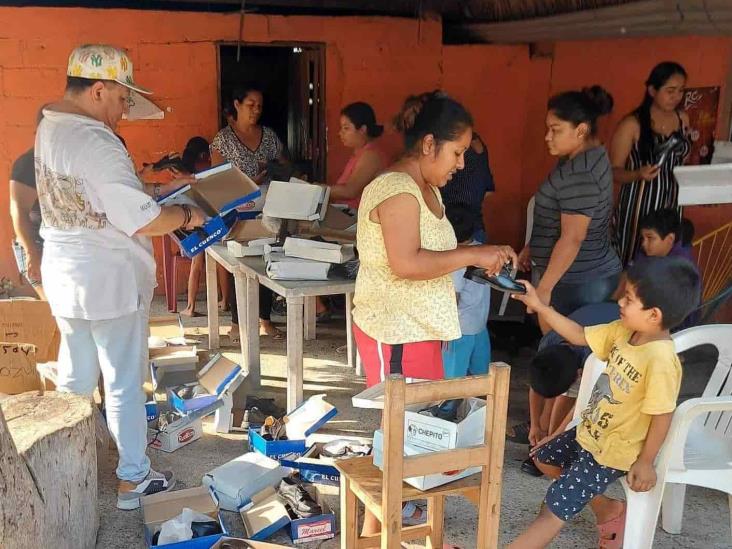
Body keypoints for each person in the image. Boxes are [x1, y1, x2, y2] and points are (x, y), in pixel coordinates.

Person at [37, 44, 206, 510]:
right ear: (98, 90)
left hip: (67, 274)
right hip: (109, 279)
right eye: (121, 99)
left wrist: (152, 188)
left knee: (76, 375)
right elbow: (143, 220)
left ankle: (64, 471)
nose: (124, 110)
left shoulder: (51, 127)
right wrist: (185, 214)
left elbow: (93, 195)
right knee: (124, 380)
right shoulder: (96, 139)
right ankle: (134, 479)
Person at [352, 92, 517, 537]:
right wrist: (472, 254)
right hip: (396, 329)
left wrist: (477, 260)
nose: (462, 163)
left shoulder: (428, 189)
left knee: (409, 433)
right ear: (429, 144)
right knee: (400, 432)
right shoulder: (395, 189)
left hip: (421, 328)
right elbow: (406, 262)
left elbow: (435, 255)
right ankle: (378, 534)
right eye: (457, 152)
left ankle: (382, 530)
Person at [508, 256, 700, 548]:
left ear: (653, 315)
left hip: (612, 451)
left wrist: (646, 462)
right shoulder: (625, 331)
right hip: (590, 433)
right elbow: (577, 334)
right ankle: (607, 509)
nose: (620, 302)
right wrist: (540, 307)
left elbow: (663, 415)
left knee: (553, 508)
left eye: (630, 298)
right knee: (542, 457)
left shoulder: (660, 360)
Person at [518, 86, 622, 322]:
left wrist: (544, 290)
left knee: (565, 351)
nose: (547, 136)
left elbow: (572, 238)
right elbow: (558, 213)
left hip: (579, 282)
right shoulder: (585, 156)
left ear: (581, 130)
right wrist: (533, 246)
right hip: (579, 276)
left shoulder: (581, 174)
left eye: (555, 130)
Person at [210, 84, 287, 340]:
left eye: (259, 106)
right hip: (237, 210)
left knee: (266, 262)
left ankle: (265, 320)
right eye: (250, 104)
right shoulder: (224, 139)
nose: (256, 110)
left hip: (267, 209)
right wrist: (248, 182)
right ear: (237, 104)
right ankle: (237, 323)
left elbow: (286, 166)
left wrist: (274, 168)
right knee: (238, 266)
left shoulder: (269, 136)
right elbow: (215, 180)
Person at [520, 302, 621, 478]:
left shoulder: (596, 357)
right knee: (562, 390)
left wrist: (555, 437)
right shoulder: (549, 343)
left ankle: (553, 448)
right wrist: (534, 425)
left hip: (621, 325)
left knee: (575, 399)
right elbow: (536, 383)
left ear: (578, 374)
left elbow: (582, 405)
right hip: (595, 318)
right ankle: (548, 446)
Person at [610, 62, 691, 266]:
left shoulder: (683, 119)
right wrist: (638, 174)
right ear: (652, 90)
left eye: (681, 91)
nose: (676, 97)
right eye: (670, 91)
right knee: (634, 257)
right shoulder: (632, 124)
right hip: (639, 205)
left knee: (666, 258)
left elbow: (683, 158)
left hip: (671, 204)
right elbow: (613, 171)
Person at [442, 204, 491, 379]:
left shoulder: (455, 260)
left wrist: (446, 330)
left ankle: (450, 406)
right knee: (481, 377)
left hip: (459, 329)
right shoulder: (483, 251)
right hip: (480, 324)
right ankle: (477, 405)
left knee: (453, 379)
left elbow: (453, 297)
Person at [10, 108, 46, 300]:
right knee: (56, 309)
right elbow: (19, 211)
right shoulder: (28, 163)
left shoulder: (55, 161)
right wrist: (32, 252)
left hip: (55, 243)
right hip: (36, 244)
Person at [329, 102, 387, 208]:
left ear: (362, 129)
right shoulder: (360, 153)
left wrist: (318, 189)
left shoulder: (371, 156)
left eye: (346, 128)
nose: (340, 133)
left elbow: (350, 191)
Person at [178, 136, 212, 318]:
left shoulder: (181, 174)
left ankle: (192, 306)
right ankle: (191, 306)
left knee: (197, 264)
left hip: (190, 227)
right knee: (197, 265)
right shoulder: (199, 176)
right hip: (198, 227)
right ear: (203, 155)